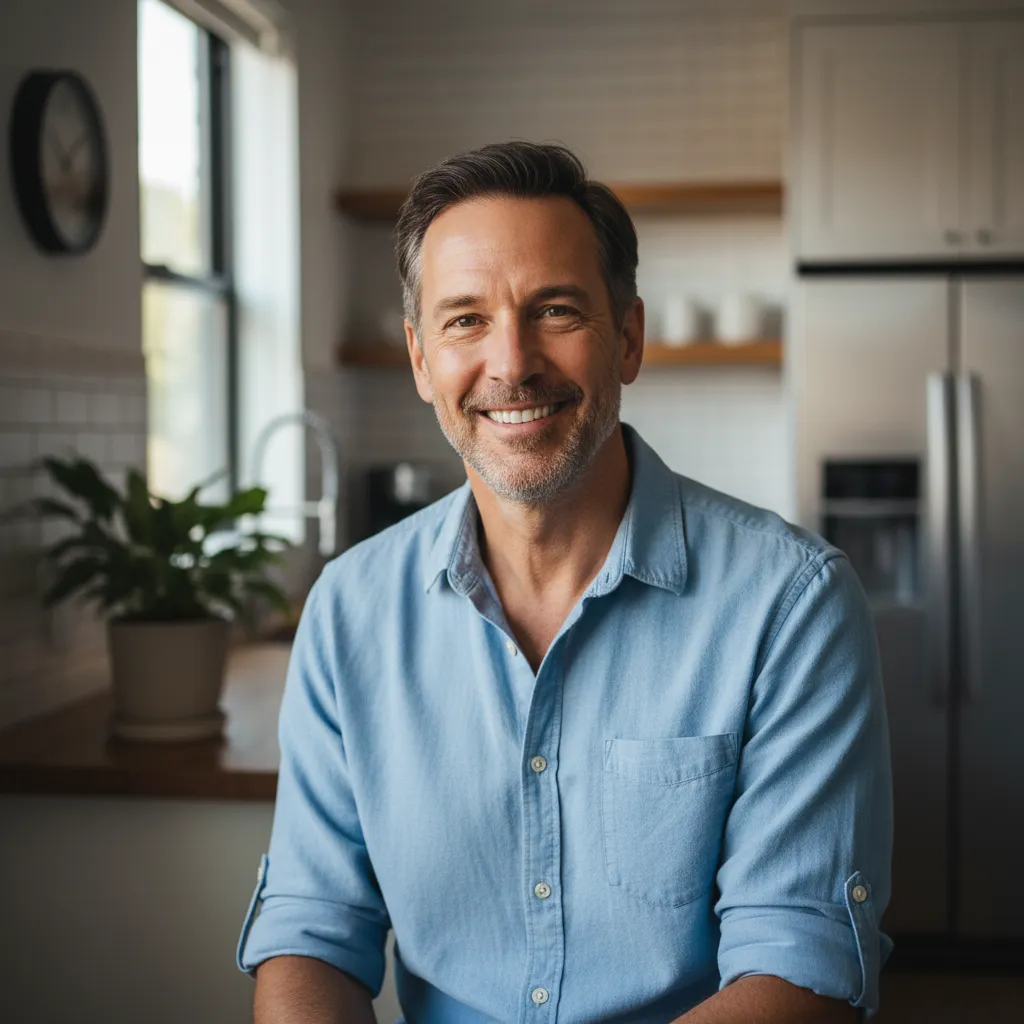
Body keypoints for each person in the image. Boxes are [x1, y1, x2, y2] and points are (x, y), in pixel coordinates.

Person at [237, 141, 893, 1023]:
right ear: (421, 357)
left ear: (627, 337)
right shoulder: (348, 612)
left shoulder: (792, 606)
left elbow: (798, 969)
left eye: (554, 310)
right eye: (464, 319)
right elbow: (311, 934)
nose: (511, 363)